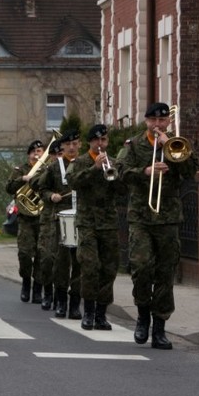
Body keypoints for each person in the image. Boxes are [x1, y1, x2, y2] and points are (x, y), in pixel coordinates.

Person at [117, 102, 198, 349]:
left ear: (167, 123)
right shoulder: (133, 145)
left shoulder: (177, 144)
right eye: (153, 120)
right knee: (141, 268)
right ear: (146, 121)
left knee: (165, 273)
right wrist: (146, 170)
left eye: (162, 121)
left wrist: (170, 150)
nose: (157, 125)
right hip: (141, 218)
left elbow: (191, 171)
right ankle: (142, 316)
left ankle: (160, 327)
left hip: (168, 218)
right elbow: (119, 171)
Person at [66, 124, 126, 330]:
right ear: (90, 142)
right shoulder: (80, 162)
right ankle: (88, 312)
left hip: (108, 223)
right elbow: (72, 182)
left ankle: (101, 314)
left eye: (104, 141)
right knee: (90, 267)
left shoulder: (115, 163)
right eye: (96, 141)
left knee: (109, 269)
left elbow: (123, 190)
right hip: (87, 223)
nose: (100, 144)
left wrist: (115, 174)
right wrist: (94, 169)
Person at [32, 130, 82, 319]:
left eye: (75, 143)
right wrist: (51, 196)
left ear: (80, 145)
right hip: (60, 218)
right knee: (60, 262)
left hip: (83, 218)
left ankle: (75, 303)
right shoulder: (54, 167)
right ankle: (60, 301)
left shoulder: (85, 164)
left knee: (79, 263)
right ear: (62, 147)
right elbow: (40, 187)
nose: (71, 147)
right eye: (67, 144)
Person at [5, 139, 46, 303]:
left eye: (40, 151)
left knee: (42, 255)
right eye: (34, 152)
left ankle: (37, 288)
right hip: (25, 219)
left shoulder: (47, 170)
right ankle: (26, 282)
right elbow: (9, 188)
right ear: (29, 154)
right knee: (25, 253)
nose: (37, 154)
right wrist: (22, 179)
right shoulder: (20, 169)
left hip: (43, 218)